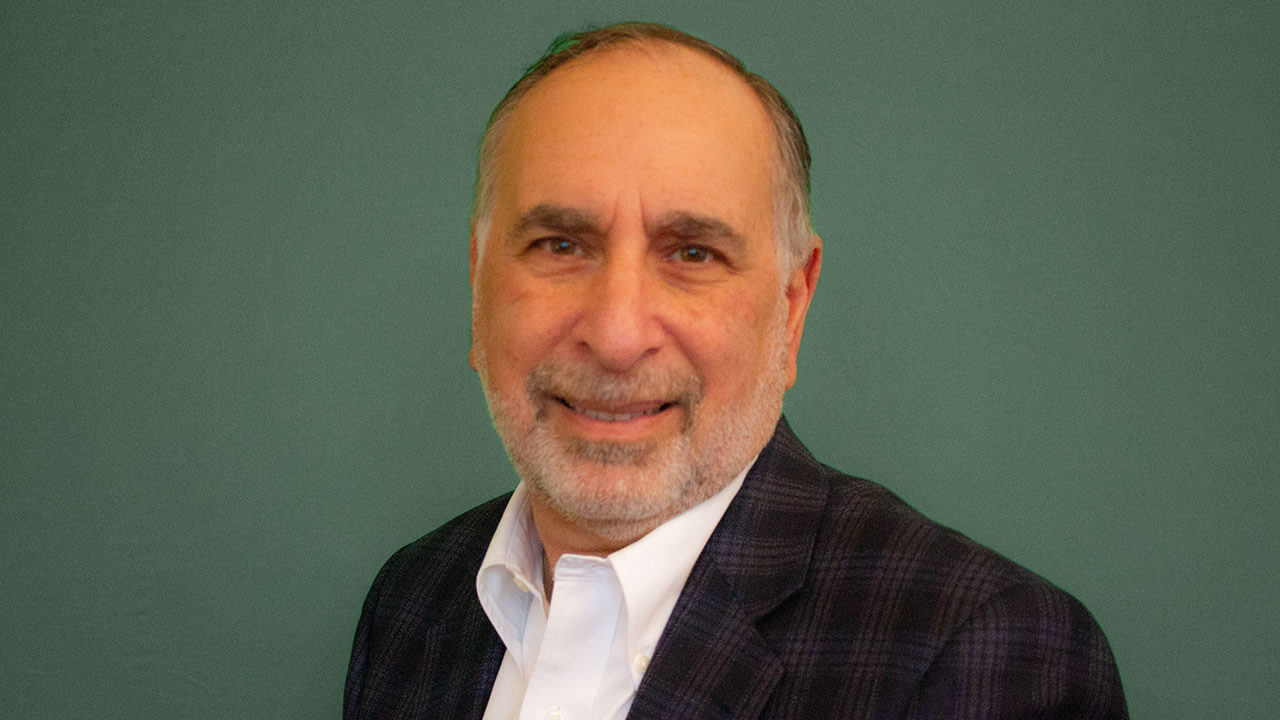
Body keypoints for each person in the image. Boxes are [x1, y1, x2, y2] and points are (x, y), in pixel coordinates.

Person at [344, 22, 1128, 720]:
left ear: (790, 309)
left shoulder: (981, 655)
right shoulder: (414, 603)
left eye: (692, 254)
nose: (617, 336)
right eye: (561, 245)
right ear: (479, 285)